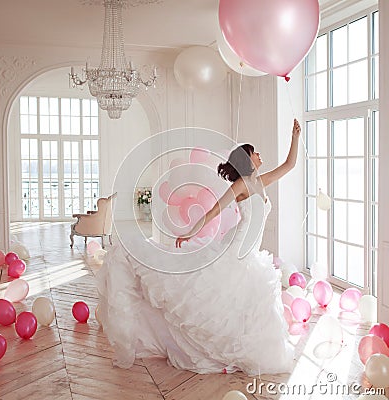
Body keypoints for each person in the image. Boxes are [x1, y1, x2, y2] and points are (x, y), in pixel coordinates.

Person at [96, 119, 301, 376]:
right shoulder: (239, 186)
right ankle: (212, 347)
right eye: (255, 152)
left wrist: (295, 138)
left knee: (247, 305)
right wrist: (190, 232)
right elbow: (213, 211)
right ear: (247, 159)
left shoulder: (261, 181)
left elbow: (290, 165)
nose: (260, 155)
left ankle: (240, 351)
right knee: (211, 300)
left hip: (250, 254)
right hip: (235, 252)